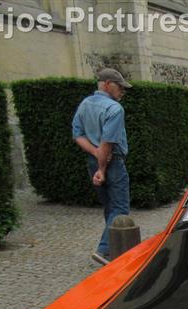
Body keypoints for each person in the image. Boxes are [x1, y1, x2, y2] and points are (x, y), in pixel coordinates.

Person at [72, 68, 132, 265]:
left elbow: (78, 135)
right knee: (120, 207)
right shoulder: (114, 109)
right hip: (111, 162)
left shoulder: (85, 104)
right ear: (107, 84)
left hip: (94, 160)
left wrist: (95, 153)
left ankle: (113, 249)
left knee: (110, 207)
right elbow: (107, 142)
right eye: (120, 87)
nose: (122, 91)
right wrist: (102, 168)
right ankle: (104, 250)